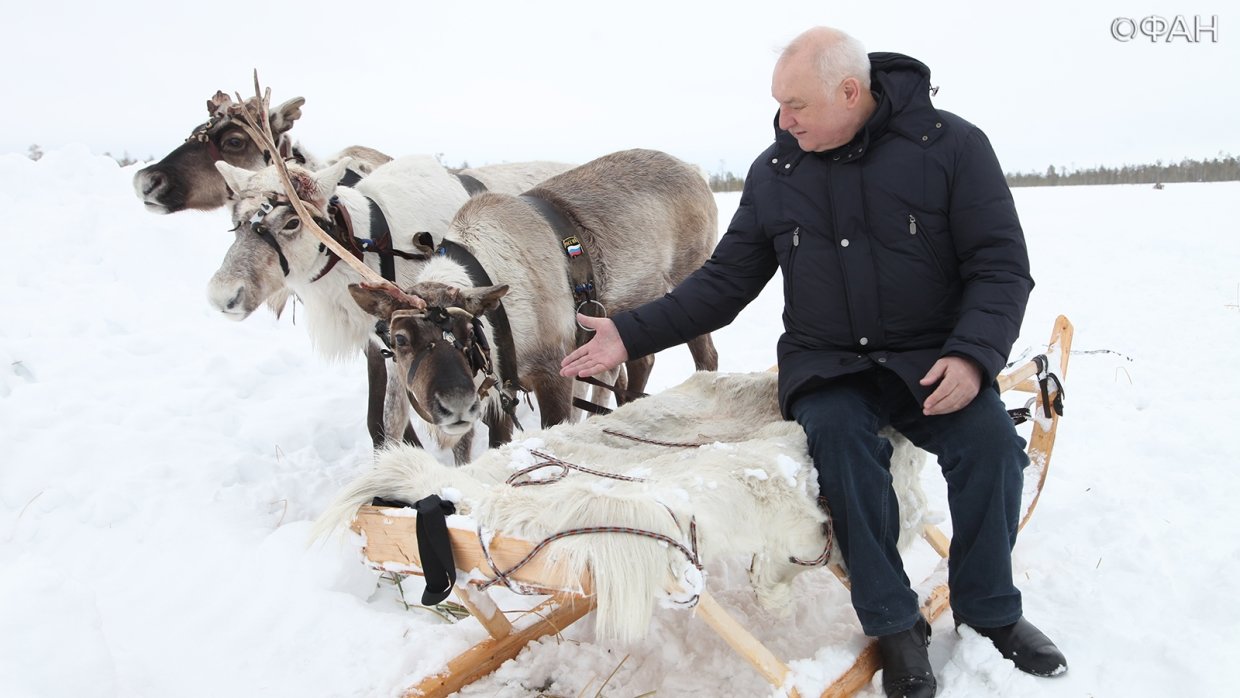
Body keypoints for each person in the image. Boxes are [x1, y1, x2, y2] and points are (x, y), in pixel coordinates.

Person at [560, 26, 1066, 698]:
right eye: (778, 105)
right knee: (845, 455)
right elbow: (725, 282)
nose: (783, 120)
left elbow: (1000, 267)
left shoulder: (951, 148)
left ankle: (989, 610)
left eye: (796, 105)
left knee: (994, 451)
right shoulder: (779, 172)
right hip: (828, 367)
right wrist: (630, 333)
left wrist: (973, 357)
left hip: (931, 357)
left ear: (849, 91)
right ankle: (893, 625)